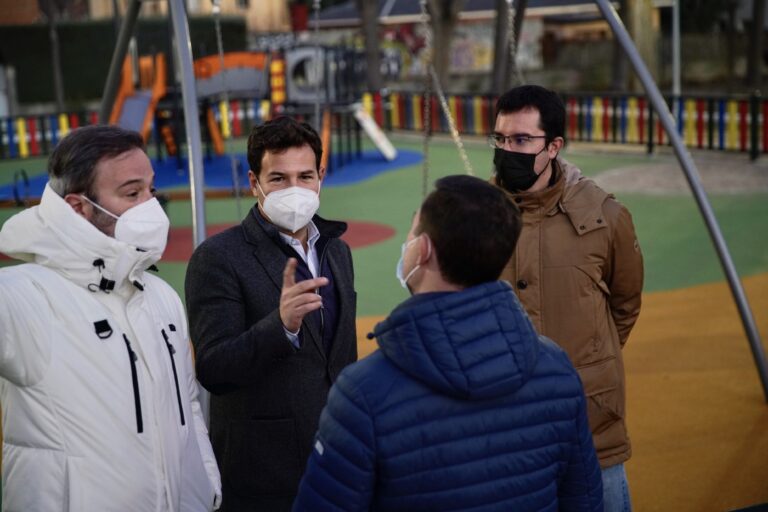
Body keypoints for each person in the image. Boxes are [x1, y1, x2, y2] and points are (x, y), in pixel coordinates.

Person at [292, 175, 603, 511]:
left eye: (412, 234)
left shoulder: (363, 393)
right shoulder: (557, 370)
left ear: (423, 250)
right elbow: (583, 500)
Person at [0, 125, 221, 511]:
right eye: (131, 193)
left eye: (150, 190)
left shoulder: (161, 297)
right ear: (76, 208)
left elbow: (188, 403)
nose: (150, 206)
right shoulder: (24, 297)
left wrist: (205, 485)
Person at [185, 116, 358, 511]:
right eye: (279, 179)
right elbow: (213, 369)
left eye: (305, 176)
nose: (295, 189)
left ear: (321, 177)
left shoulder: (337, 250)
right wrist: (280, 327)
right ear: (254, 183)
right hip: (264, 473)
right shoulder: (218, 258)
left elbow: (339, 358)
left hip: (340, 457)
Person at [489, 84, 644, 511]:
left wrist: (593, 358)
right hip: (505, 423)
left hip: (593, 423)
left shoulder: (605, 216)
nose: (507, 150)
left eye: (521, 140)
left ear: (554, 146)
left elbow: (625, 304)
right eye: (500, 139)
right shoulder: (479, 216)